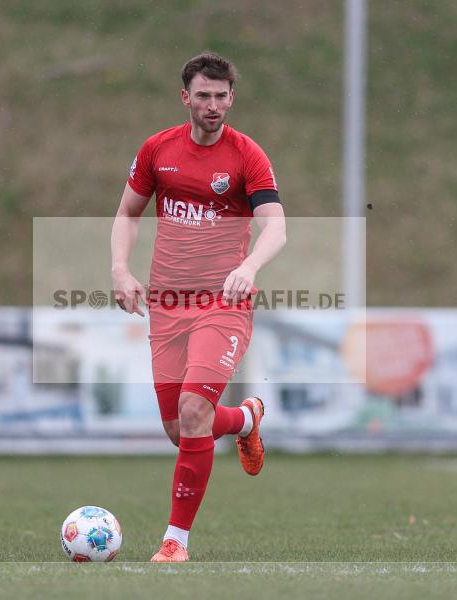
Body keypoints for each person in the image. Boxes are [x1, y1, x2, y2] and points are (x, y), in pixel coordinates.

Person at [110, 51, 287, 562]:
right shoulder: (156, 150)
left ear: (232, 97)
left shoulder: (246, 155)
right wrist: (121, 269)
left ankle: (174, 542)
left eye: (221, 96)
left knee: (192, 410)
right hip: (167, 304)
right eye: (203, 96)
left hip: (223, 303)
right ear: (185, 97)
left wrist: (249, 267)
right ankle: (245, 421)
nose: (213, 105)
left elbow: (275, 224)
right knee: (179, 428)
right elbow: (127, 212)